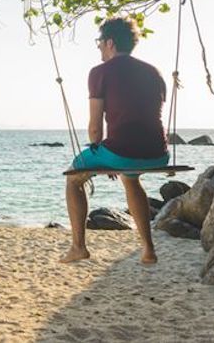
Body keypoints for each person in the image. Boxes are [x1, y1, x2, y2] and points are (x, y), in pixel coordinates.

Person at [60, 16, 169, 265]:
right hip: (159, 152)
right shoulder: (154, 72)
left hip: (120, 152)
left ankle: (78, 247)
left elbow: (95, 129)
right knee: (130, 178)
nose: (98, 46)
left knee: (73, 177)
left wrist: (104, 157)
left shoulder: (99, 73)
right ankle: (149, 250)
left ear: (110, 43)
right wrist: (110, 156)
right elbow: (141, 114)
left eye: (99, 41)